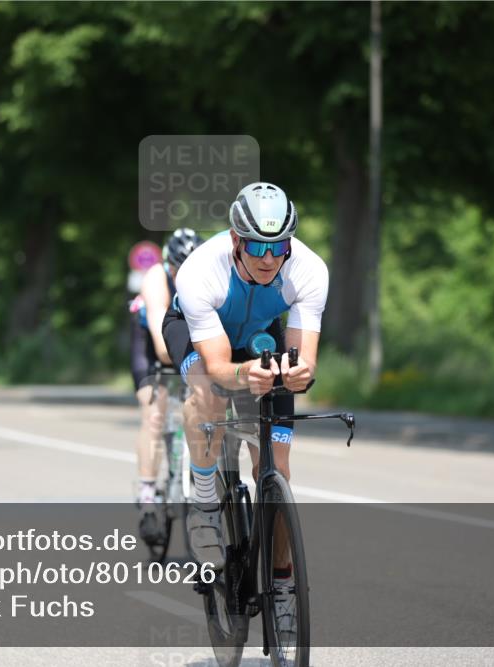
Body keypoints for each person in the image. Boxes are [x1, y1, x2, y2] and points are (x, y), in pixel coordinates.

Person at [162, 182, 328, 639]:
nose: (269, 258)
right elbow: (218, 366)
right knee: (208, 393)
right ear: (236, 239)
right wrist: (244, 375)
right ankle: (204, 502)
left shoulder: (309, 270)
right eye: (257, 246)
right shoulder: (201, 271)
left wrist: (299, 375)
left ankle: (283, 586)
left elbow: (304, 359)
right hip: (199, 336)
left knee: (277, 471)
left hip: (260, 335)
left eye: (279, 246)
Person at [129, 229, 203, 530]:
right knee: (155, 412)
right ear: (168, 264)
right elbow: (163, 347)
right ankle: (147, 494)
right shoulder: (156, 278)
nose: (184, 275)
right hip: (152, 348)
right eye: (178, 268)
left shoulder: (210, 276)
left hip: (188, 346)